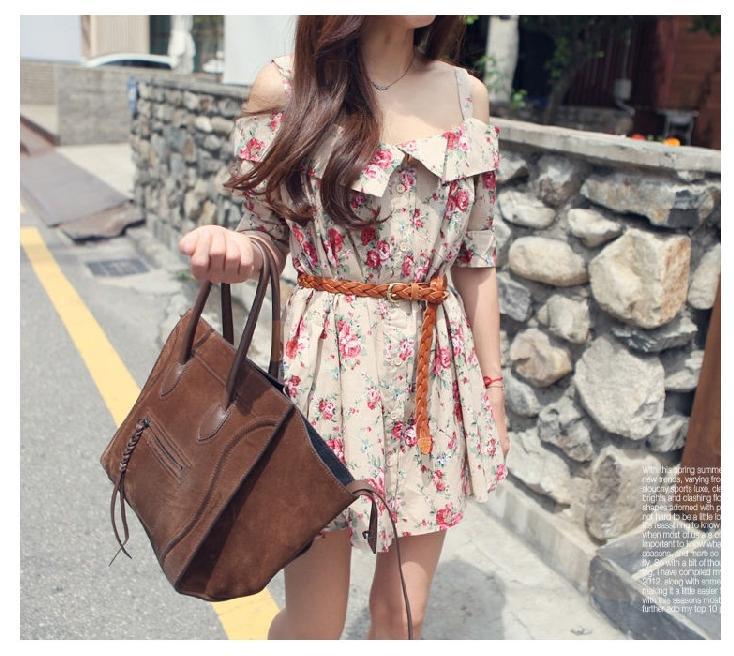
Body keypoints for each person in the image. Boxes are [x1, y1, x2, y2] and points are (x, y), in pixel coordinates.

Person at [178, 15, 510, 640]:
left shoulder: (468, 95)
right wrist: (236, 250)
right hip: (325, 377)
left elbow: (476, 261)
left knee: (402, 615)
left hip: (432, 381)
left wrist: (493, 392)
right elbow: (266, 233)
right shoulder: (287, 86)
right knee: (315, 624)